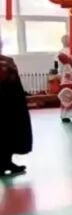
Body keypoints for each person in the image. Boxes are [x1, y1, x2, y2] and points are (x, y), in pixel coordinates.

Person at [0, 40, 31, 177]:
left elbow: (15, 84)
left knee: (9, 133)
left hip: (9, 105)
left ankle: (7, 162)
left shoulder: (8, 61)